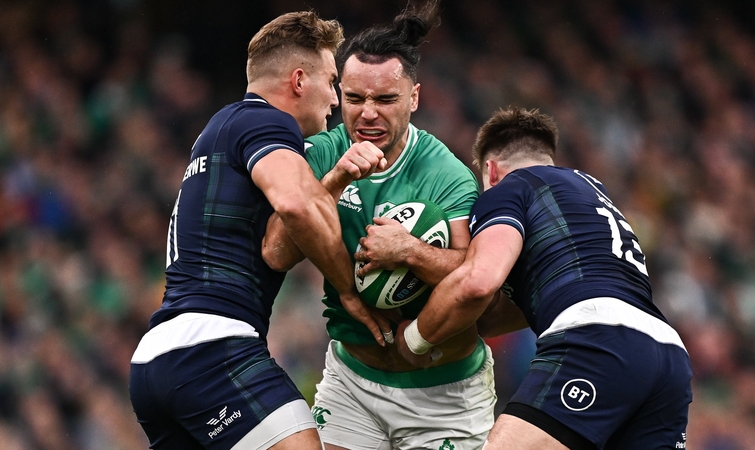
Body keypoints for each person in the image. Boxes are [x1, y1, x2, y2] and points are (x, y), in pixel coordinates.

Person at [129, 11, 389, 450]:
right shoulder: (267, 122)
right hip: (212, 349)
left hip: (157, 359)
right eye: (331, 82)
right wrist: (348, 289)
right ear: (299, 80)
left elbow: (276, 245)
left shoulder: (219, 128)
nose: (335, 100)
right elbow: (296, 205)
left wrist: (336, 177)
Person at [262, 2, 496, 449]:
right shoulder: (320, 154)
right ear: (340, 93)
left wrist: (409, 251)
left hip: (444, 395)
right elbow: (276, 252)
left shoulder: (446, 174)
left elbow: (473, 274)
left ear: (413, 98)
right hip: (353, 382)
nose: (368, 113)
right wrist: (335, 181)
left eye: (385, 99)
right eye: (355, 98)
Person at [397, 107, 693, 449]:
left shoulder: (510, 188)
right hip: (667, 355)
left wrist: (415, 338)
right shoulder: (591, 193)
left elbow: (479, 280)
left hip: (598, 342)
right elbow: (506, 311)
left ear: (491, 170)